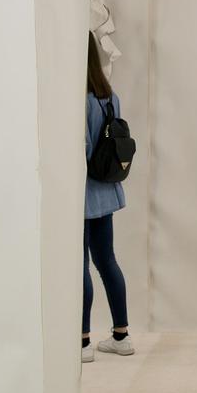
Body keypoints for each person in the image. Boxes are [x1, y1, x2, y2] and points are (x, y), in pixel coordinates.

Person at [83, 33, 132, 363]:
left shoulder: (80, 99)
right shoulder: (109, 96)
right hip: (108, 191)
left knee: (79, 267)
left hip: (84, 195)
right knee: (107, 261)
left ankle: (82, 342)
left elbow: (83, 149)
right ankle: (121, 335)